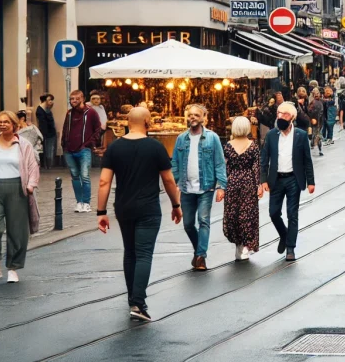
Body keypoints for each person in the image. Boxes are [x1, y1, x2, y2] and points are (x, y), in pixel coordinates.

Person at [95, 107, 182, 322]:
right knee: (143, 254)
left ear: (127, 121)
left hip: (123, 207)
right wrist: (176, 204)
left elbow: (104, 181)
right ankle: (139, 302)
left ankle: (132, 300)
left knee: (130, 252)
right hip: (148, 208)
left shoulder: (114, 148)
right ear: (147, 121)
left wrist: (101, 212)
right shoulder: (155, 147)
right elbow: (169, 180)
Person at [0, 111, 40, 284]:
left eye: (6, 122)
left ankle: (13, 268)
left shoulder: (23, 144)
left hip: (17, 189)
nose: (2, 125)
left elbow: (33, 167)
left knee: (17, 231)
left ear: (14, 125)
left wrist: (31, 185)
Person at [170, 104, 227, 271]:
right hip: (186, 189)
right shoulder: (181, 138)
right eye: (190, 115)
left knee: (203, 221)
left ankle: (201, 256)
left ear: (204, 118)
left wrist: (222, 186)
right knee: (188, 224)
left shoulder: (212, 138)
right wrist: (176, 181)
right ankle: (198, 250)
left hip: (206, 188)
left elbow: (219, 162)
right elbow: (174, 162)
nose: (192, 117)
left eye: (196, 115)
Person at [261, 102, 316, 261]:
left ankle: (290, 248)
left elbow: (307, 160)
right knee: (273, 213)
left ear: (292, 117)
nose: (280, 116)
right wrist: (263, 179)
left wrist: (310, 181)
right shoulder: (271, 135)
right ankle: (284, 235)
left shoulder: (301, 135)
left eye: (284, 114)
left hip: (293, 178)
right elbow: (264, 159)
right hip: (276, 179)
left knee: (292, 214)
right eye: (278, 113)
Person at [222, 116, 262, 261]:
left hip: (232, 182)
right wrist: (258, 185)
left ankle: (238, 245)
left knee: (233, 214)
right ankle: (245, 246)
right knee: (248, 215)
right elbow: (256, 168)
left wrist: (223, 185)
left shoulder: (227, 146)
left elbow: (225, 168)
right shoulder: (253, 146)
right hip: (248, 183)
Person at [61, 90, 102, 213]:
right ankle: (79, 202)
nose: (73, 101)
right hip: (69, 149)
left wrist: (88, 143)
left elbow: (98, 129)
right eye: (71, 98)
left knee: (84, 176)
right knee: (74, 176)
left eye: (76, 98)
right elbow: (65, 129)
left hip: (84, 149)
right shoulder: (69, 114)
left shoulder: (91, 113)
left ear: (82, 99)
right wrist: (64, 144)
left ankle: (87, 203)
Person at [36, 93, 57, 167]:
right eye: (49, 100)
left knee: (50, 150)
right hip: (46, 134)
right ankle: (48, 166)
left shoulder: (47, 109)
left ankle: (49, 165)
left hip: (50, 133)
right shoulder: (40, 110)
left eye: (52, 100)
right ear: (44, 101)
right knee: (48, 150)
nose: (51, 101)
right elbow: (43, 123)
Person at [308, 88, 325, 156]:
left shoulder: (322, 101)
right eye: (315, 93)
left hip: (320, 121)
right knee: (316, 134)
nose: (317, 94)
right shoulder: (312, 102)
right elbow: (309, 111)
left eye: (318, 93)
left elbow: (324, 111)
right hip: (314, 121)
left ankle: (318, 147)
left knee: (317, 134)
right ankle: (316, 145)